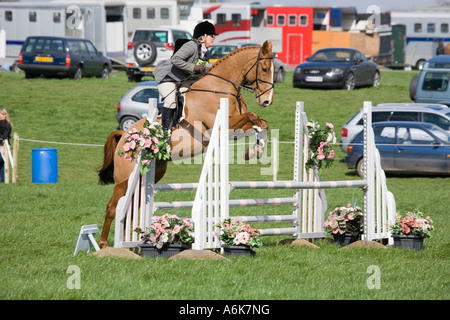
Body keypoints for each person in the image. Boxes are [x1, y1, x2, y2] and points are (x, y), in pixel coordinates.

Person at [153, 21, 217, 132]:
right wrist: (194, 67)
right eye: (212, 36)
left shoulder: (206, 52)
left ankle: (183, 123)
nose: (214, 38)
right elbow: (175, 60)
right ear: (204, 36)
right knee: (171, 101)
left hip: (184, 80)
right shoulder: (191, 45)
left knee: (191, 99)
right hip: (168, 78)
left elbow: (201, 70)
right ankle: (165, 131)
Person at [0, 108, 13, 183]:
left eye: (1, 115)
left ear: (5, 115)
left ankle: (4, 180)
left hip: (4, 145)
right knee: (1, 163)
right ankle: (3, 180)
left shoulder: (7, 125)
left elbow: (5, 135)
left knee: (3, 161)